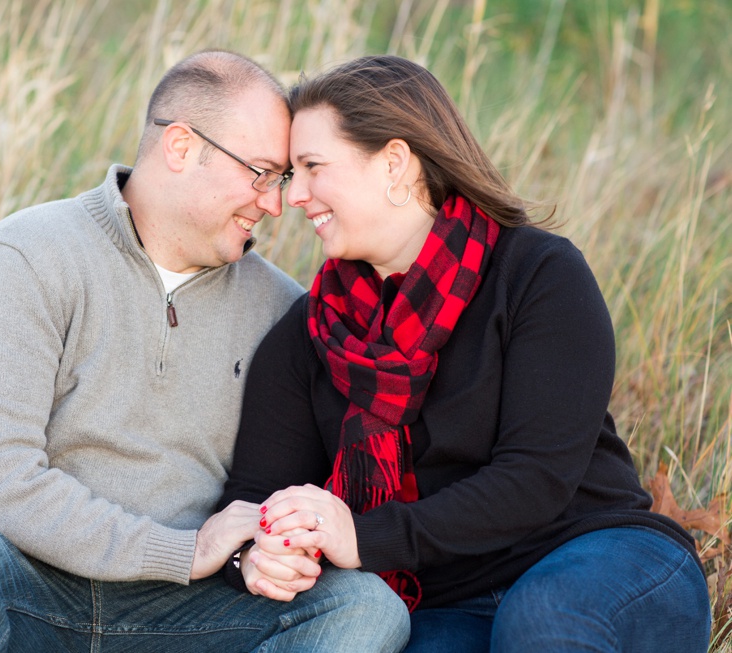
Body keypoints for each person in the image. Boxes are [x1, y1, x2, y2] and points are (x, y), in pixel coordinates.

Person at [0, 50, 411, 653]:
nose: (275, 203)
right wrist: (185, 550)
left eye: (281, 179)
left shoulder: (283, 309)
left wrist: (266, 552)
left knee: (364, 609)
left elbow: (282, 489)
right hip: (25, 585)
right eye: (260, 172)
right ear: (180, 147)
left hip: (186, 610)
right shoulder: (22, 259)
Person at [217, 55, 711, 652]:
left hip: (597, 555)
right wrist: (258, 552)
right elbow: (252, 496)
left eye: (312, 167)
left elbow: (535, 479)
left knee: (540, 625)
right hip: (448, 599)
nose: (294, 196)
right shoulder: (312, 332)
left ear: (395, 163)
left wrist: (364, 537)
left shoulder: (535, 275)